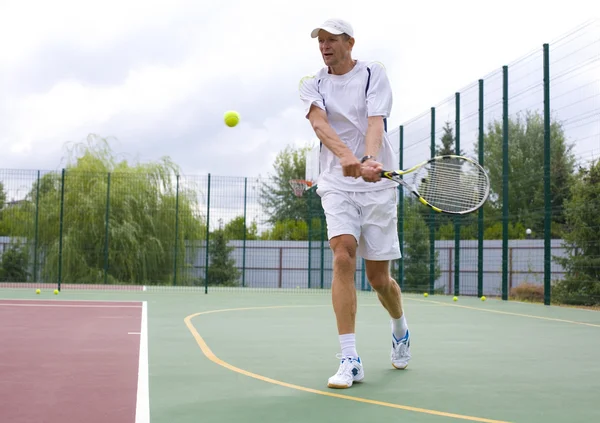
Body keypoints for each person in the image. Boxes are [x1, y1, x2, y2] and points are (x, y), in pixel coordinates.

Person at [298, 18, 411, 389]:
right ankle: (350, 358)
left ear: (350, 42)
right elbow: (319, 125)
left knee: (380, 281)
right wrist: (347, 157)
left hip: (377, 188)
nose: (325, 46)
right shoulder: (311, 83)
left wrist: (370, 159)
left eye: (332, 40)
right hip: (335, 183)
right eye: (321, 41)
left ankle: (399, 326)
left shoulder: (372, 73)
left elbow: (376, 120)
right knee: (343, 254)